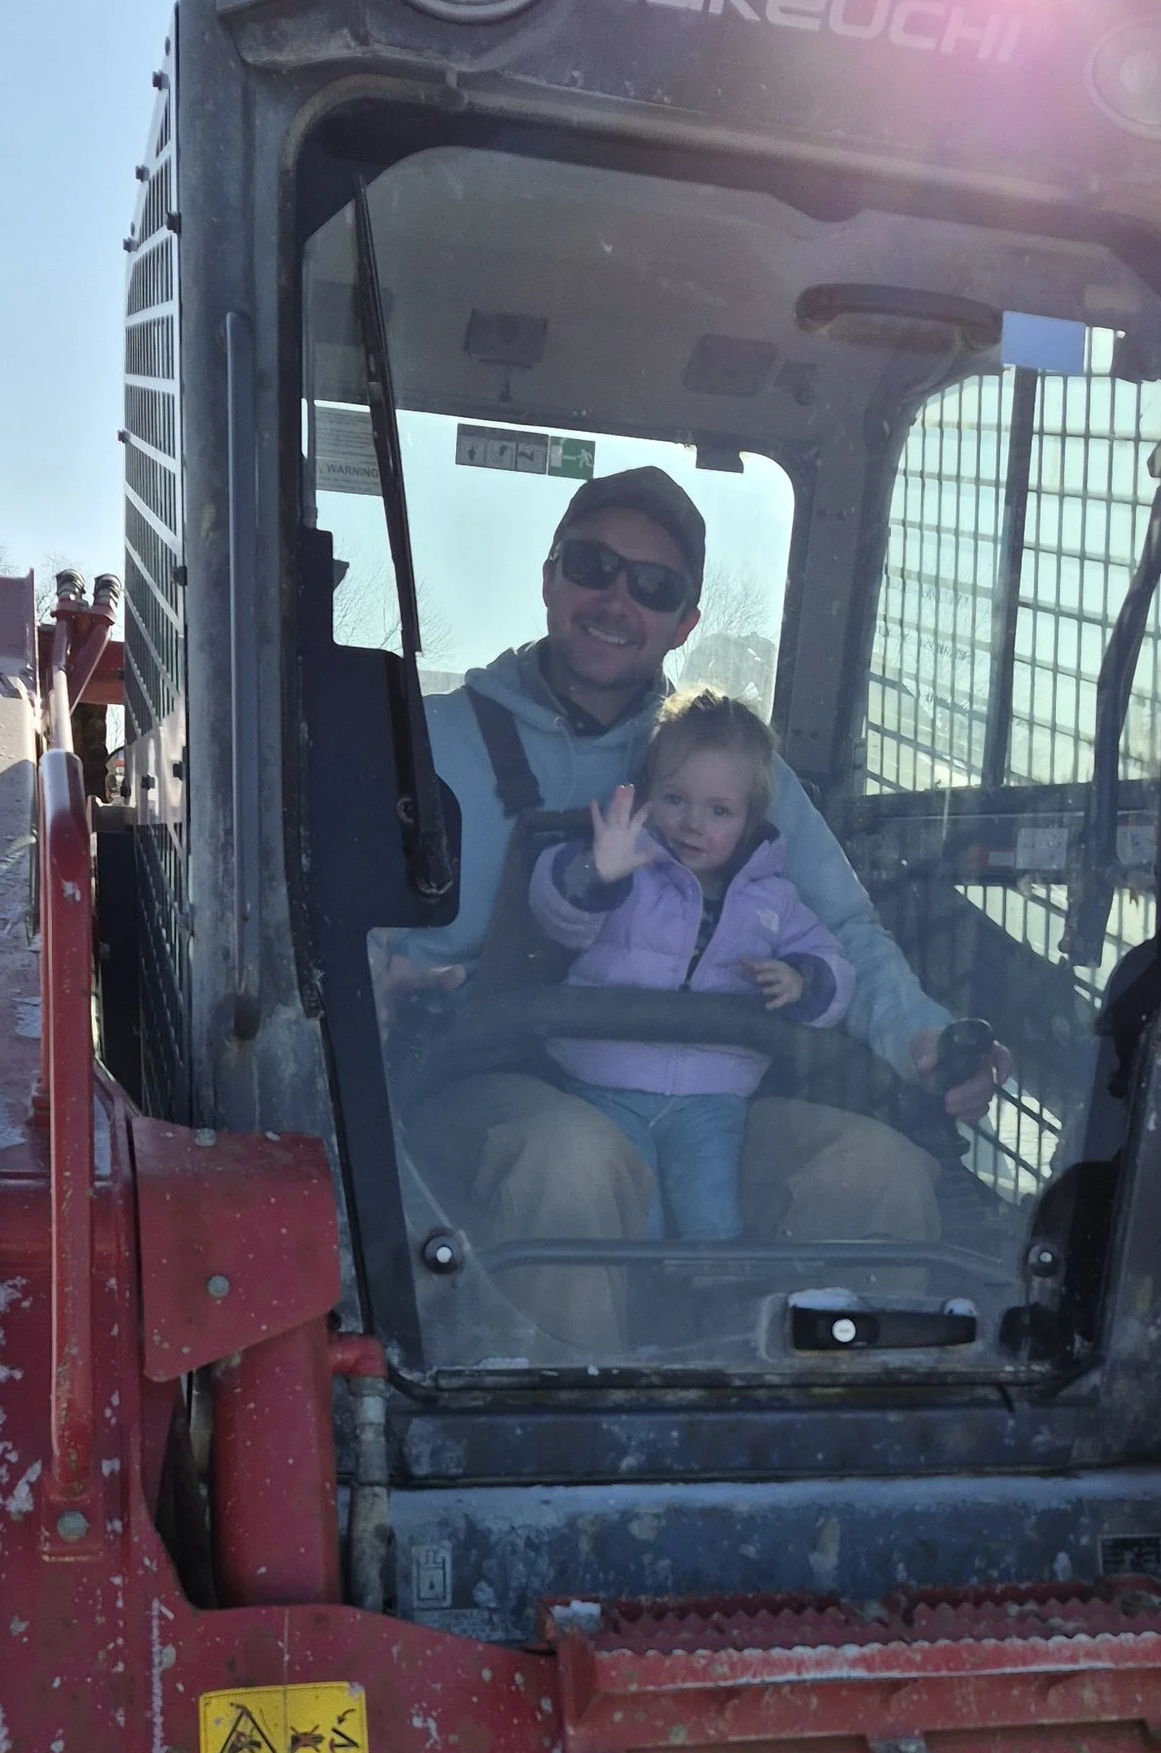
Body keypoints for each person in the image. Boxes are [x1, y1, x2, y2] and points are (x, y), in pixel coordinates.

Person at [404, 465, 1010, 1352]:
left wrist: (922, 1036)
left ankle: (830, 1423)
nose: (618, 599)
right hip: (482, 1086)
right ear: (549, 576)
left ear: (685, 621)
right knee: (569, 1161)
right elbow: (338, 944)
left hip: (701, 1099)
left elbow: (842, 930)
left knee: (876, 1170)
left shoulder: (740, 777)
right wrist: (389, 979)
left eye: (654, 586)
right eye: (592, 566)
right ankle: (570, 1423)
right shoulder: (427, 742)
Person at [530, 688, 853, 1242]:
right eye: (675, 799)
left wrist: (802, 981)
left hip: (713, 1098)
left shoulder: (772, 899)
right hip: (606, 1083)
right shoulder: (626, 870)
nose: (692, 823)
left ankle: (710, 1293)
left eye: (719, 811)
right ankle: (640, 1296)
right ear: (647, 794)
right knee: (636, 1218)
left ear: (750, 821)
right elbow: (558, 914)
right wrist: (595, 872)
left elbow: (835, 965)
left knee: (712, 1222)